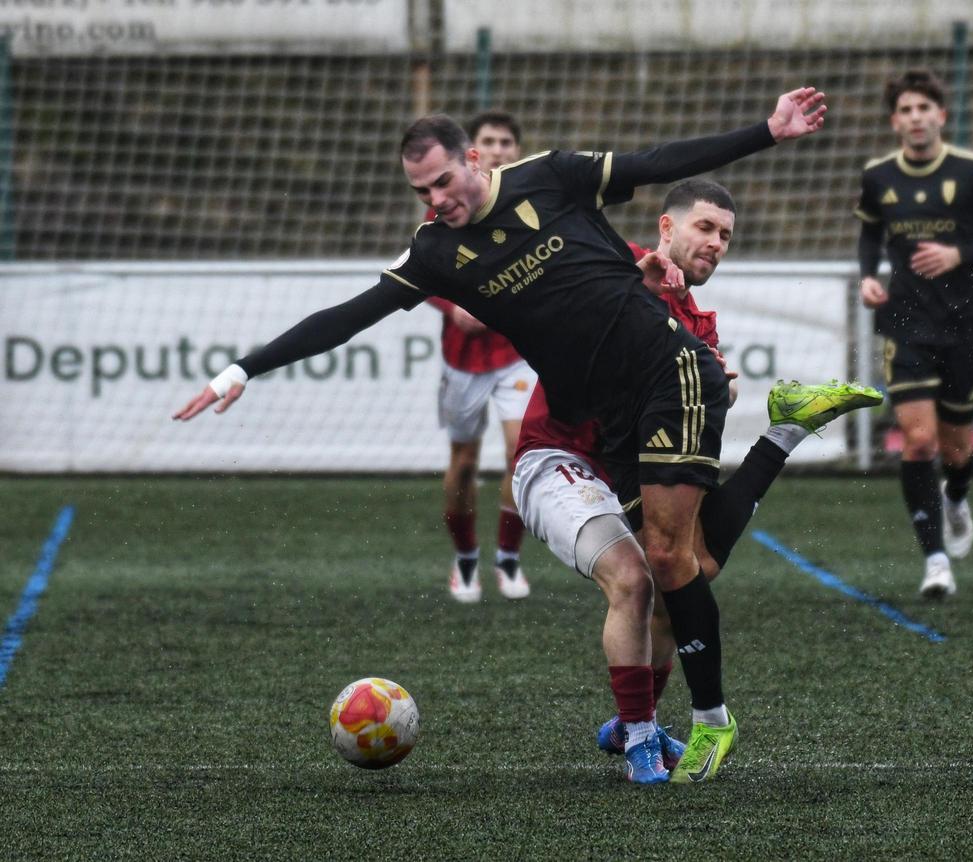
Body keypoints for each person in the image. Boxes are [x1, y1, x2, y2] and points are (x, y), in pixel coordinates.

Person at [173, 86, 830, 783]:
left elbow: (658, 160)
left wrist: (767, 130)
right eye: (422, 190)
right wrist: (242, 370)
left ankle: (689, 723)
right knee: (675, 569)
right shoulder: (435, 250)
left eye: (444, 181)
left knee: (672, 567)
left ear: (476, 158)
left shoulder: (549, 177)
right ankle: (664, 716)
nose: (437, 199)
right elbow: (351, 314)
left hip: (665, 372)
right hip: (604, 425)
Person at [509, 179, 881, 782]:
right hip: (558, 459)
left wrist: (719, 384)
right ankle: (640, 742)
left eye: (726, 235)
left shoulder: (700, 325)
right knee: (636, 578)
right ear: (666, 229)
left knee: (688, 569)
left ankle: (783, 434)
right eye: (704, 228)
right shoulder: (623, 265)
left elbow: (699, 398)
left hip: (625, 463)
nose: (715, 243)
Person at [854, 68, 973, 599]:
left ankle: (956, 497)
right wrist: (867, 278)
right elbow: (869, 234)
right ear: (895, 122)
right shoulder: (879, 176)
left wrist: (959, 253)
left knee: (956, 448)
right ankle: (935, 561)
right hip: (904, 320)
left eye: (924, 108)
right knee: (918, 440)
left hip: (963, 324)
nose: (915, 118)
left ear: (940, 116)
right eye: (905, 110)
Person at [424, 111, 535, 604]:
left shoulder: (527, 204)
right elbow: (422, 273)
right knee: (464, 462)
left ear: (515, 151)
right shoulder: (444, 208)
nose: (498, 149)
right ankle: (465, 558)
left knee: (520, 454)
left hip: (515, 354)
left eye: (506, 142)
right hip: (463, 361)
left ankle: (507, 558)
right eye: (488, 140)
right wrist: (453, 306)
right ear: (473, 150)